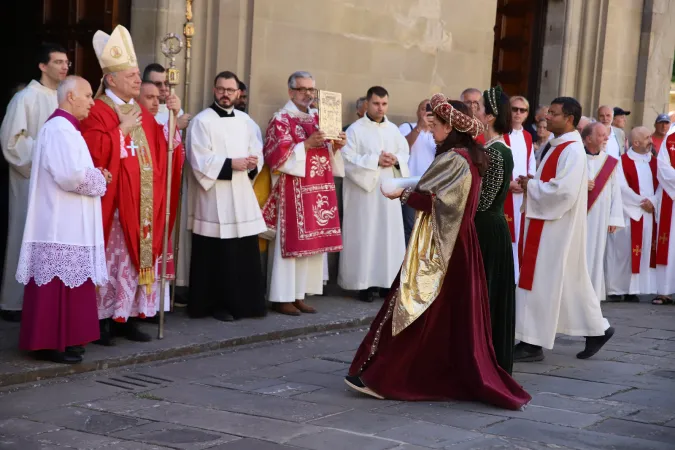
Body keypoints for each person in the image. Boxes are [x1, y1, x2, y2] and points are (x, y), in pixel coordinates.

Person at [344, 94, 531, 410]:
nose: (431, 131)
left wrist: (403, 195)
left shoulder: (455, 159)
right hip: (453, 242)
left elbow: (445, 204)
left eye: (437, 125)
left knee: (420, 308)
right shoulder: (468, 155)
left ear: (450, 127)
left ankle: (391, 375)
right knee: (439, 314)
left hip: (445, 247)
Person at [81, 25, 184, 344]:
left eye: (138, 74)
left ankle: (125, 316)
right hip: (111, 205)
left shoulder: (140, 110)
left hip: (142, 204)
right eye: (131, 76)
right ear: (111, 80)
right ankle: (100, 321)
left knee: (130, 263)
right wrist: (121, 131)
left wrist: (172, 118)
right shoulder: (96, 111)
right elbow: (91, 149)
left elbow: (163, 151)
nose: (138, 80)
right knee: (111, 264)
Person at [514, 97, 614, 362]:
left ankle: (531, 343)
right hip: (549, 223)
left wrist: (531, 188)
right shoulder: (558, 145)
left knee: (542, 281)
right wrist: (533, 183)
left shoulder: (571, 150)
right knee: (568, 281)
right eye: (548, 112)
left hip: (555, 227)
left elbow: (564, 192)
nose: (547, 117)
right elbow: (554, 183)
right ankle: (597, 329)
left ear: (569, 119)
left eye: (554, 114)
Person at [17, 76, 108, 364]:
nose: (93, 102)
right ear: (71, 96)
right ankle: (50, 343)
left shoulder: (67, 128)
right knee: (57, 282)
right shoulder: (59, 129)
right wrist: (99, 177)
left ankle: (66, 339)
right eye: (88, 95)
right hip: (59, 223)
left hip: (67, 221)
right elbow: (70, 176)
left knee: (69, 281)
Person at [262, 71, 346, 315]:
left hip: (318, 189)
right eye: (302, 89)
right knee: (291, 246)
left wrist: (337, 146)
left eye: (311, 90)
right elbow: (275, 156)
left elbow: (331, 157)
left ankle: (299, 295)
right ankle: (281, 297)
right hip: (293, 190)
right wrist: (307, 144)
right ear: (290, 92)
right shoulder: (280, 119)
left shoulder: (320, 118)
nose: (308, 94)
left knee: (312, 246)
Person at [186, 71, 266, 321]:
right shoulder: (202, 121)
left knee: (242, 251)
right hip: (215, 198)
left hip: (241, 196)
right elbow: (198, 158)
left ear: (238, 93)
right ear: (214, 90)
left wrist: (253, 162)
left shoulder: (246, 121)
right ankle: (216, 305)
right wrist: (231, 163)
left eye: (230, 90)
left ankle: (248, 304)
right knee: (217, 253)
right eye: (221, 89)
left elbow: (257, 150)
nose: (225, 94)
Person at [0, 43, 67, 323]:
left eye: (67, 62)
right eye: (59, 62)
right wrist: (44, 157)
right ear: (42, 66)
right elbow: (11, 141)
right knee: (24, 236)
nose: (65, 66)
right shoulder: (26, 98)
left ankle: (46, 303)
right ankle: (14, 303)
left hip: (61, 184)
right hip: (31, 180)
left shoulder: (68, 97)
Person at [338, 86, 410, 302]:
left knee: (388, 238)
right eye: (377, 103)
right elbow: (346, 160)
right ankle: (364, 285)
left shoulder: (394, 130)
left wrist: (395, 160)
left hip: (388, 192)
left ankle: (387, 283)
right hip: (364, 195)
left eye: (384, 104)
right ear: (367, 104)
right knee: (366, 236)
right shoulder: (354, 130)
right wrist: (374, 161)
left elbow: (404, 153)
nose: (381, 108)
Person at [475, 86, 516, 374]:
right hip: (484, 224)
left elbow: (485, 200)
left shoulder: (499, 152)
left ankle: (487, 360)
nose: (474, 112)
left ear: (489, 117)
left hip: (488, 228)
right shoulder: (489, 148)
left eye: (478, 108)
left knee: (486, 293)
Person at [605, 127, 661, 303]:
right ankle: (616, 289)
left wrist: (654, 201)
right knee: (622, 253)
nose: (651, 140)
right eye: (647, 138)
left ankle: (633, 289)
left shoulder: (656, 162)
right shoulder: (621, 162)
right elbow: (622, 187)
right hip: (628, 213)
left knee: (643, 251)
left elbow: (662, 185)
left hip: (649, 214)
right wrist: (642, 202)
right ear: (635, 143)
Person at [581, 123, 623, 302]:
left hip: (600, 216)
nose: (606, 138)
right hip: (578, 216)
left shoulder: (610, 162)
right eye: (601, 135)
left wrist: (614, 218)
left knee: (596, 253)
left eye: (606, 135)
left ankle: (591, 294)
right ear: (589, 138)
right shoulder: (576, 157)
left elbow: (616, 191)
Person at [503, 95, 536, 281]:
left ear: (526, 114)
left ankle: (516, 276)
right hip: (504, 193)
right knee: (507, 235)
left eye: (522, 110)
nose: (517, 113)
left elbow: (531, 163)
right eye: (514, 109)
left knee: (519, 235)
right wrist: (508, 183)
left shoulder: (528, 136)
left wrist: (526, 183)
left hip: (521, 194)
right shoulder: (501, 134)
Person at [398, 99, 435, 245]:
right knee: (410, 228)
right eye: (423, 109)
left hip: (431, 188)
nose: (426, 113)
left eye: (430, 110)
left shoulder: (438, 132)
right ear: (417, 112)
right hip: (410, 186)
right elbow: (402, 148)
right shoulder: (407, 127)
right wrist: (419, 127)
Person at [655, 127, 675, 304]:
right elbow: (662, 168)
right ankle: (665, 290)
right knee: (669, 245)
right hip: (671, 197)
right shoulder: (670, 140)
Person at [142, 63, 191, 129]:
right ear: (145, 84)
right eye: (158, 84)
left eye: (166, 83)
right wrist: (176, 125)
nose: (164, 88)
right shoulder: (142, 110)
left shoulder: (175, 108)